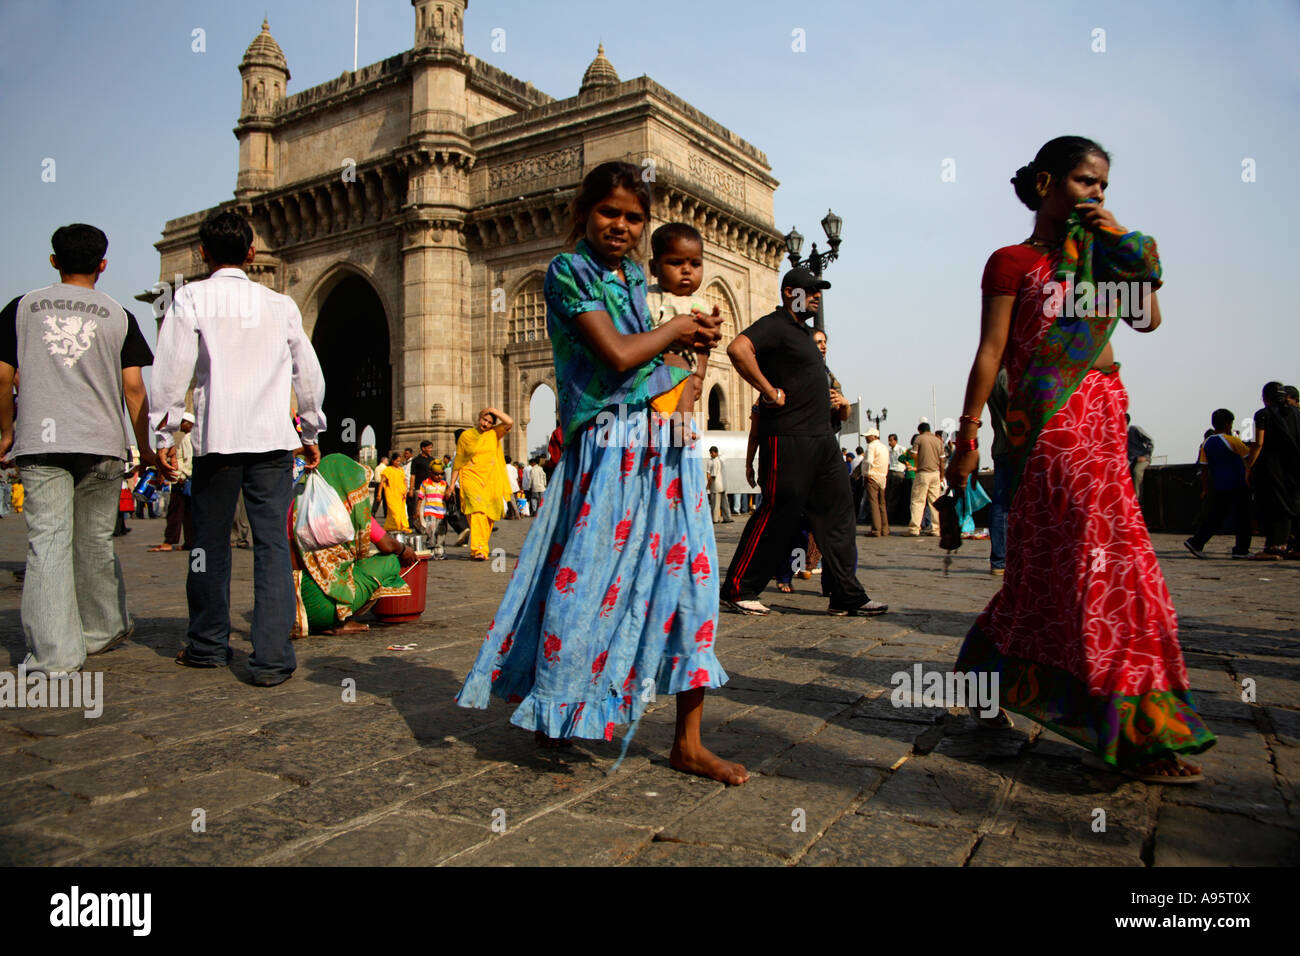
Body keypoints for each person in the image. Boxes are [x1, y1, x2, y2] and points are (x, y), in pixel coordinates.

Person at [458, 161, 747, 785]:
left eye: (634, 217)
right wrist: (675, 330)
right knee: (584, 583)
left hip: (666, 447)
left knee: (691, 584)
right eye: (610, 212)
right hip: (610, 449)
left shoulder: (637, 279)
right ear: (583, 212)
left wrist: (690, 347)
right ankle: (557, 706)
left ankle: (688, 742)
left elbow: (655, 364)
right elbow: (616, 357)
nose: (621, 226)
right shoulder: (568, 271)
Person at [946, 135, 1213, 782]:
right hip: (1052, 423)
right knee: (1110, 563)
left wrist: (1120, 240)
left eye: (1103, 186)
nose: (1095, 194)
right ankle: (1138, 729)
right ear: (1045, 183)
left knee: (1051, 566)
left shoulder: (1099, 264)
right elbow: (992, 351)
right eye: (1084, 182)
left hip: (1104, 413)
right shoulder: (1012, 263)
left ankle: (984, 680)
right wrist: (967, 432)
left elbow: (1147, 319)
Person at [150, 210, 326, 687]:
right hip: (272, 443)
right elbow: (308, 376)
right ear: (251, 253)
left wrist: (165, 434)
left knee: (209, 545)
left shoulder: (191, 298)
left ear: (202, 253)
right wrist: (309, 432)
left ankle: (208, 645)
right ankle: (271, 658)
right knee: (271, 545)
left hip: (217, 442)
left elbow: (170, 372)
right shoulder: (281, 305)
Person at [0, 223, 157, 673]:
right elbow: (133, 390)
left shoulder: (22, 307)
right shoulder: (119, 314)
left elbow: (3, 377)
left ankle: (55, 654)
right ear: (102, 265)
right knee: (93, 541)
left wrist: (6, 432)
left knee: (47, 542)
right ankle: (103, 627)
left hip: (42, 443)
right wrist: (143, 447)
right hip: (102, 442)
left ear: (54, 261)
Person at [720, 267, 886, 617]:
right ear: (789, 293)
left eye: (819, 290)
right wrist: (769, 391)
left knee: (839, 514)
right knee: (778, 511)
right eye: (809, 290)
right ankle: (739, 588)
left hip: (822, 442)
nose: (816, 295)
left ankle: (846, 594)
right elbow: (738, 349)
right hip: (789, 437)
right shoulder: (776, 324)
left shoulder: (804, 335)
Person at [290, 453, 417, 635]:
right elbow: (388, 546)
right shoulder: (355, 511)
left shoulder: (295, 508)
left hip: (290, 608)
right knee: (388, 562)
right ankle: (341, 620)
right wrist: (404, 549)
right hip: (325, 609)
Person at [645, 222, 718, 418]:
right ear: (654, 268)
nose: (687, 270)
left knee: (682, 374)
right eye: (676, 263)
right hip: (653, 362)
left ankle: (682, 426)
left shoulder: (701, 306)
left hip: (685, 366)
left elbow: (704, 346)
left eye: (695, 264)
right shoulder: (646, 297)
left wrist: (700, 376)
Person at [1185, 408, 1252, 559]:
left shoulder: (1207, 442)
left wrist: (1205, 488)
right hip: (1237, 483)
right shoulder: (1232, 440)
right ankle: (1241, 549)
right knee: (1243, 517)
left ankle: (1197, 541)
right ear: (1228, 424)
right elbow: (1249, 456)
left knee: (1215, 517)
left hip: (1219, 485)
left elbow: (1204, 466)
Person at [1244, 381, 1300, 560]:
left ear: (1265, 398)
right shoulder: (1296, 413)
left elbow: (1258, 444)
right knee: (1295, 503)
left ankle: (1275, 547)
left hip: (1272, 466)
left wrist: (1248, 466)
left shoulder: (1263, 414)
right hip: (1295, 465)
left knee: (1277, 505)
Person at [450, 407, 513, 560]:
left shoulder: (494, 433)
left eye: (490, 422)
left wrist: (492, 410)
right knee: (477, 510)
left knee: (489, 515)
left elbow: (509, 422)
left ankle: (481, 547)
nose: (485, 424)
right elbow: (459, 460)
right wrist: (452, 484)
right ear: (479, 418)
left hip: (490, 480)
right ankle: (478, 549)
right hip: (471, 478)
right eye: (484, 419)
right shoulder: (466, 436)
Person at [150, 411, 195, 552]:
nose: (181, 425)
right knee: (188, 514)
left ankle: (169, 541)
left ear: (189, 424)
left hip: (182, 479)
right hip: (185, 478)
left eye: (183, 422)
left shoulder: (188, 438)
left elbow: (189, 461)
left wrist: (182, 475)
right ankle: (190, 541)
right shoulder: (190, 438)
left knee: (175, 512)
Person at [987, 366, 1011, 574]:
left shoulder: (993, 377)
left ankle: (999, 560)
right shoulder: (1008, 375)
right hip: (1016, 448)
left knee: (1000, 505)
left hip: (1001, 447)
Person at [907, 422, 945, 535]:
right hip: (936, 473)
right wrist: (942, 475)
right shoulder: (938, 441)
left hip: (923, 473)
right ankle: (936, 529)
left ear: (920, 431)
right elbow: (942, 461)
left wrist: (918, 462)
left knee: (918, 501)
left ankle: (914, 528)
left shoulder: (919, 439)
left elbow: (913, 454)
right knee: (935, 502)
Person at [861, 428, 890, 536]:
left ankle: (876, 529)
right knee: (882, 504)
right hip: (882, 477)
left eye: (868, 436)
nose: (866, 438)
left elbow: (868, 461)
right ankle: (885, 528)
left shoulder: (871, 446)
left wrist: (867, 472)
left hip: (872, 476)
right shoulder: (884, 447)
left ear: (874, 436)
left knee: (873, 504)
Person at [419, 460, 450, 558]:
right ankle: (430, 549)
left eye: (441, 474)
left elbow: (447, 498)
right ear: (431, 473)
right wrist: (417, 512)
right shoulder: (425, 483)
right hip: (429, 512)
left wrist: (449, 494)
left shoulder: (444, 484)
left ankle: (439, 551)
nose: (439, 477)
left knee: (441, 532)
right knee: (431, 532)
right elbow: (420, 499)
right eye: (436, 474)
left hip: (442, 512)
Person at [1126, 413, 1154, 507]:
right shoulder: (1118, 435)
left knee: (1137, 472)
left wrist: (1147, 456)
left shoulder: (1134, 430)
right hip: (1131, 460)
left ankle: (1136, 499)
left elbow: (1150, 441)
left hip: (1141, 458)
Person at [379, 449, 410, 533]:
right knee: (394, 511)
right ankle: (396, 525)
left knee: (400, 511)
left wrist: (406, 490)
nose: (398, 463)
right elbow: (382, 482)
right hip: (391, 493)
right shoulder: (388, 470)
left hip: (400, 494)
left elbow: (405, 481)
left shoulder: (401, 470)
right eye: (397, 461)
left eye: (399, 461)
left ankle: (395, 526)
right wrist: (379, 494)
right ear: (392, 461)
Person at [408, 440, 435, 531]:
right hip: (419, 487)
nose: (430, 450)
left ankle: (428, 526)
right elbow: (413, 475)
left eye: (431, 447)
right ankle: (421, 527)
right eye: (429, 448)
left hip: (431, 488)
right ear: (423, 448)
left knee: (430, 508)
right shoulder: (416, 460)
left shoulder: (432, 460)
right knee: (419, 508)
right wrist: (411, 489)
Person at [706, 445, 733, 523]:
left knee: (715, 504)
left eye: (712, 453)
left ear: (716, 453)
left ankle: (715, 519)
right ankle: (727, 518)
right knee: (725, 503)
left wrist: (708, 485)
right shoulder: (721, 460)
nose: (711, 454)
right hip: (723, 485)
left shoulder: (715, 462)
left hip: (716, 486)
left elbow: (713, 476)